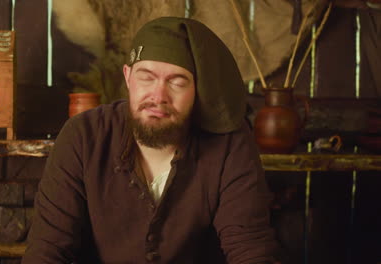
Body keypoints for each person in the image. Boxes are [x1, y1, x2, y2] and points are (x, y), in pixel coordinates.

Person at [22, 17, 278, 264]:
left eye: (177, 83)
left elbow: (250, 249)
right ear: (128, 77)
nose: (158, 96)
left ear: (198, 90)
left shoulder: (229, 143)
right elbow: (47, 250)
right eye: (146, 77)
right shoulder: (83, 135)